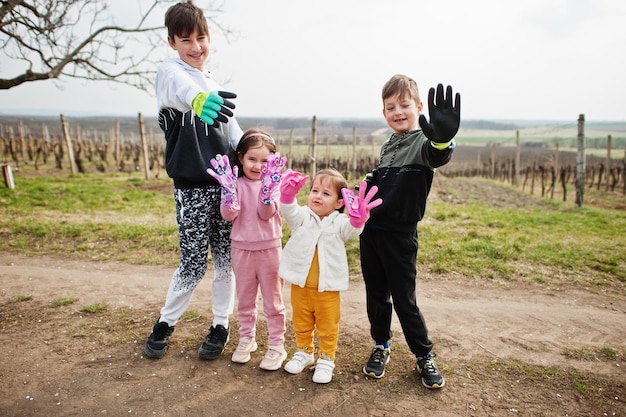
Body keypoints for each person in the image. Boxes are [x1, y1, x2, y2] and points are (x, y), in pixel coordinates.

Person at [144, 0, 244, 361]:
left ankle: (221, 325)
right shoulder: (169, 74)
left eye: (201, 37)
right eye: (186, 40)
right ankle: (165, 323)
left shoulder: (215, 85)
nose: (196, 46)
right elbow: (183, 88)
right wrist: (199, 99)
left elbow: (236, 137)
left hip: (226, 188)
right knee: (192, 264)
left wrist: (263, 158)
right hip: (192, 190)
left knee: (226, 261)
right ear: (172, 42)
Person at [359, 74, 461, 389]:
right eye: (390, 107)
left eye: (404, 105)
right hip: (371, 232)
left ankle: (423, 355)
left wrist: (442, 139)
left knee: (405, 300)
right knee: (376, 295)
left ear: (418, 106)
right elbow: (378, 183)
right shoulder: (389, 144)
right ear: (383, 112)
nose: (398, 112)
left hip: (399, 236)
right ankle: (381, 346)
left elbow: (437, 154)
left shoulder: (421, 141)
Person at [279, 169, 381, 384]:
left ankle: (326, 359)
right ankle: (304, 352)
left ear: (338, 203)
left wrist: (358, 220)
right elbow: (288, 210)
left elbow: (353, 230)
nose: (317, 196)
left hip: (327, 290)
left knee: (327, 326)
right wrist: (287, 196)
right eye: (315, 190)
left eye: (326, 193)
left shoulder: (340, 223)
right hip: (301, 286)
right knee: (301, 322)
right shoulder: (302, 217)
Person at [206, 128, 288, 371]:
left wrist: (266, 193)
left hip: (269, 250)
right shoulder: (234, 183)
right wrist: (229, 194)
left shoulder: (274, 183)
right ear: (240, 158)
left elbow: (266, 214)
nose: (258, 165)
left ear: (273, 162)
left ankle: (276, 345)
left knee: (273, 302)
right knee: (245, 300)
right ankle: (246, 339)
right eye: (252, 159)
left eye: (265, 161)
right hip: (241, 250)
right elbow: (229, 215)